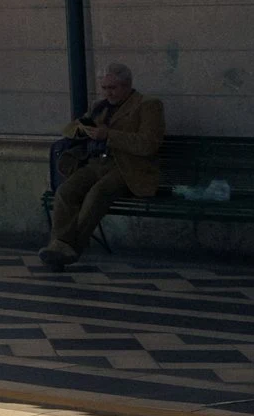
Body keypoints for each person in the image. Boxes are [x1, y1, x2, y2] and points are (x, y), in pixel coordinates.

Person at [41, 62, 166, 269]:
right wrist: (83, 130)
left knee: (98, 193)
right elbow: (70, 128)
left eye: (113, 88)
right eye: (105, 88)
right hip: (97, 163)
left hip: (128, 168)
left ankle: (69, 247)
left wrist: (110, 135)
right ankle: (58, 245)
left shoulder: (148, 105)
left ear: (127, 85)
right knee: (66, 191)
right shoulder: (99, 106)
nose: (109, 93)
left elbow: (148, 144)